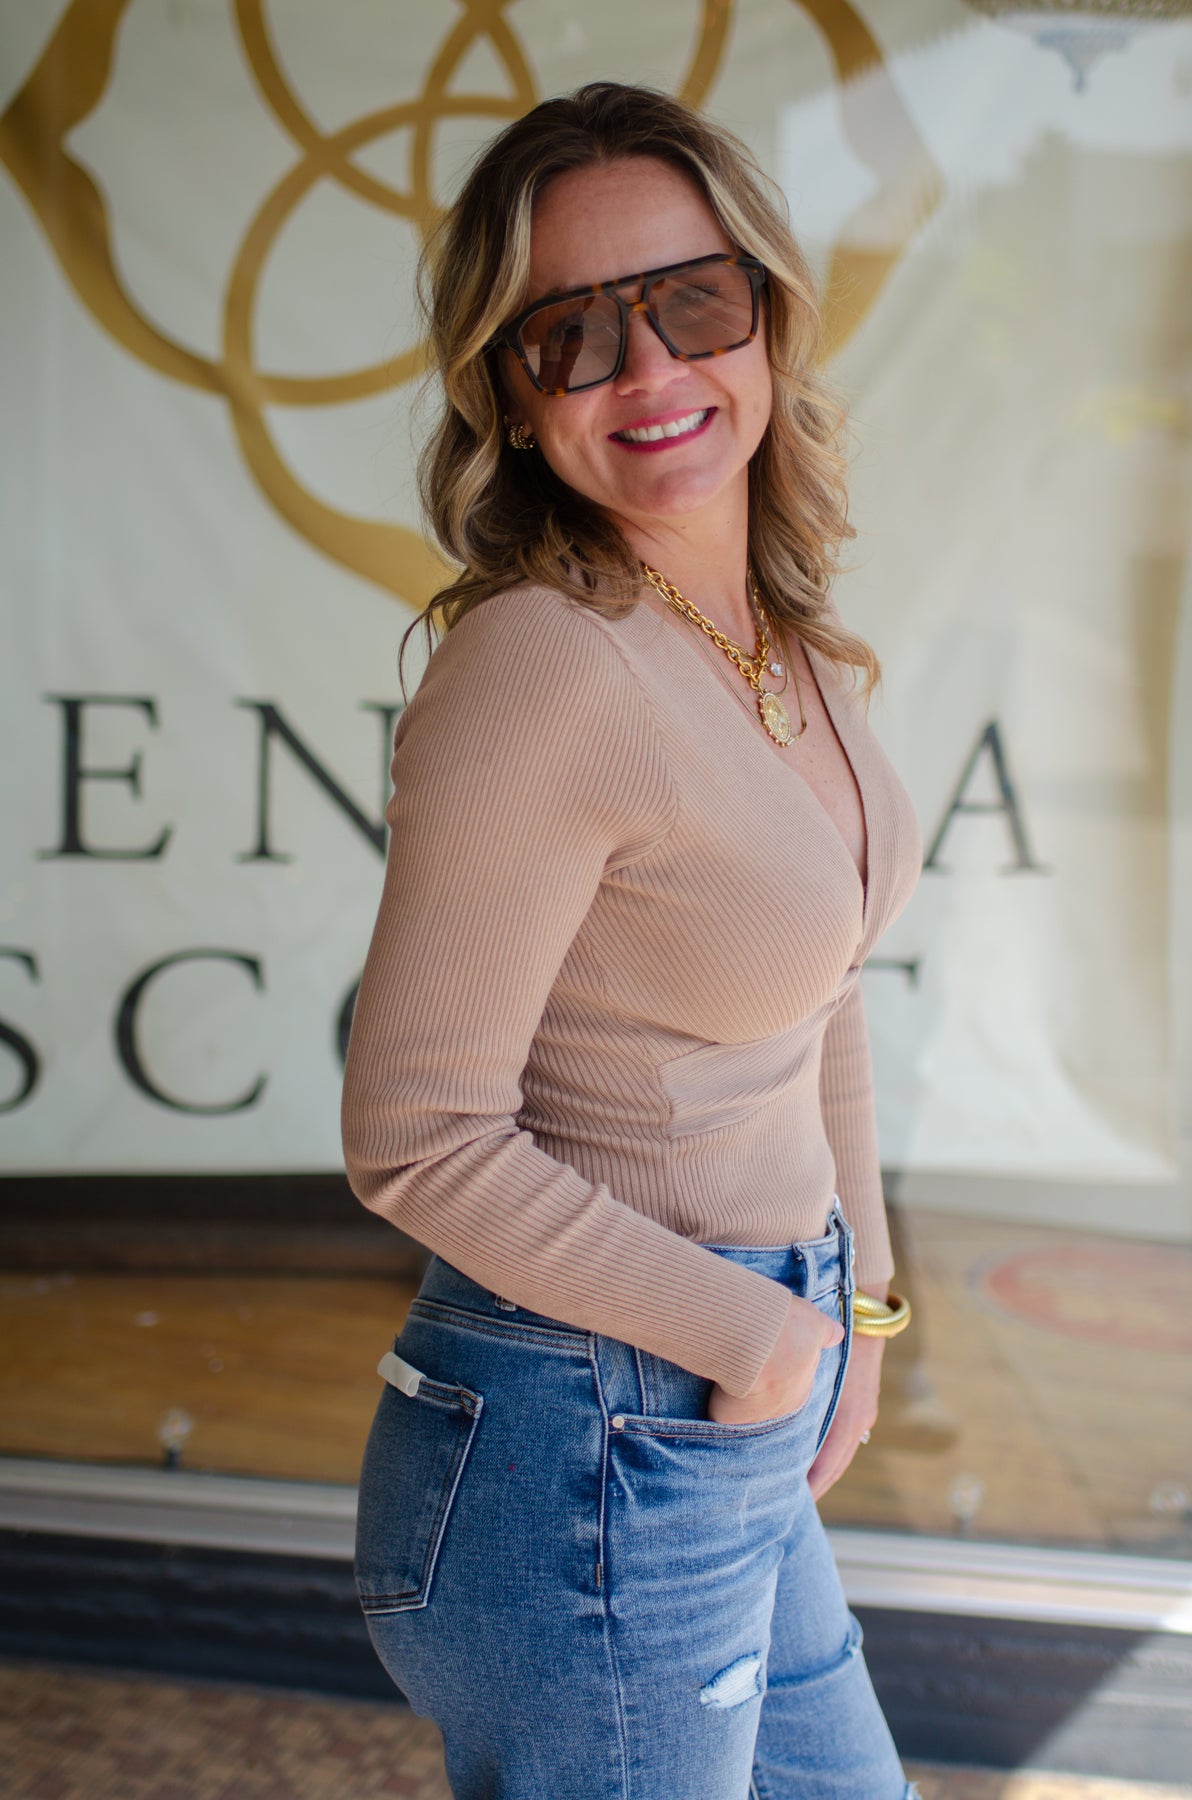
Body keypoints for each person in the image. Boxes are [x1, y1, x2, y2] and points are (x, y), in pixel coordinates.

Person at [341, 80, 922, 1800]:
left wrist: (856, 1304)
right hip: (591, 1436)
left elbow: (824, 994)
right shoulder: (544, 662)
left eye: (692, 301)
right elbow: (417, 1136)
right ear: (510, 400)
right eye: (573, 335)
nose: (650, 367)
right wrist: (760, 1339)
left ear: (767, 314)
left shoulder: (780, 643)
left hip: (723, 1384)